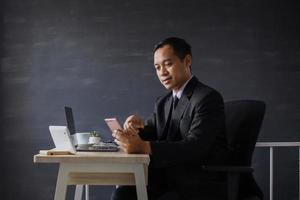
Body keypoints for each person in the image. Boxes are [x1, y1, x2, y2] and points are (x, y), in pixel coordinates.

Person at [111, 37, 230, 200]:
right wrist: (133, 130)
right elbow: (150, 133)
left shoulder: (207, 98)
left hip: (197, 185)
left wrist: (144, 147)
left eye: (168, 64)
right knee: (123, 193)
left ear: (187, 61)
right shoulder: (163, 102)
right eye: (157, 67)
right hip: (166, 180)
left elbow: (195, 147)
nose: (162, 72)